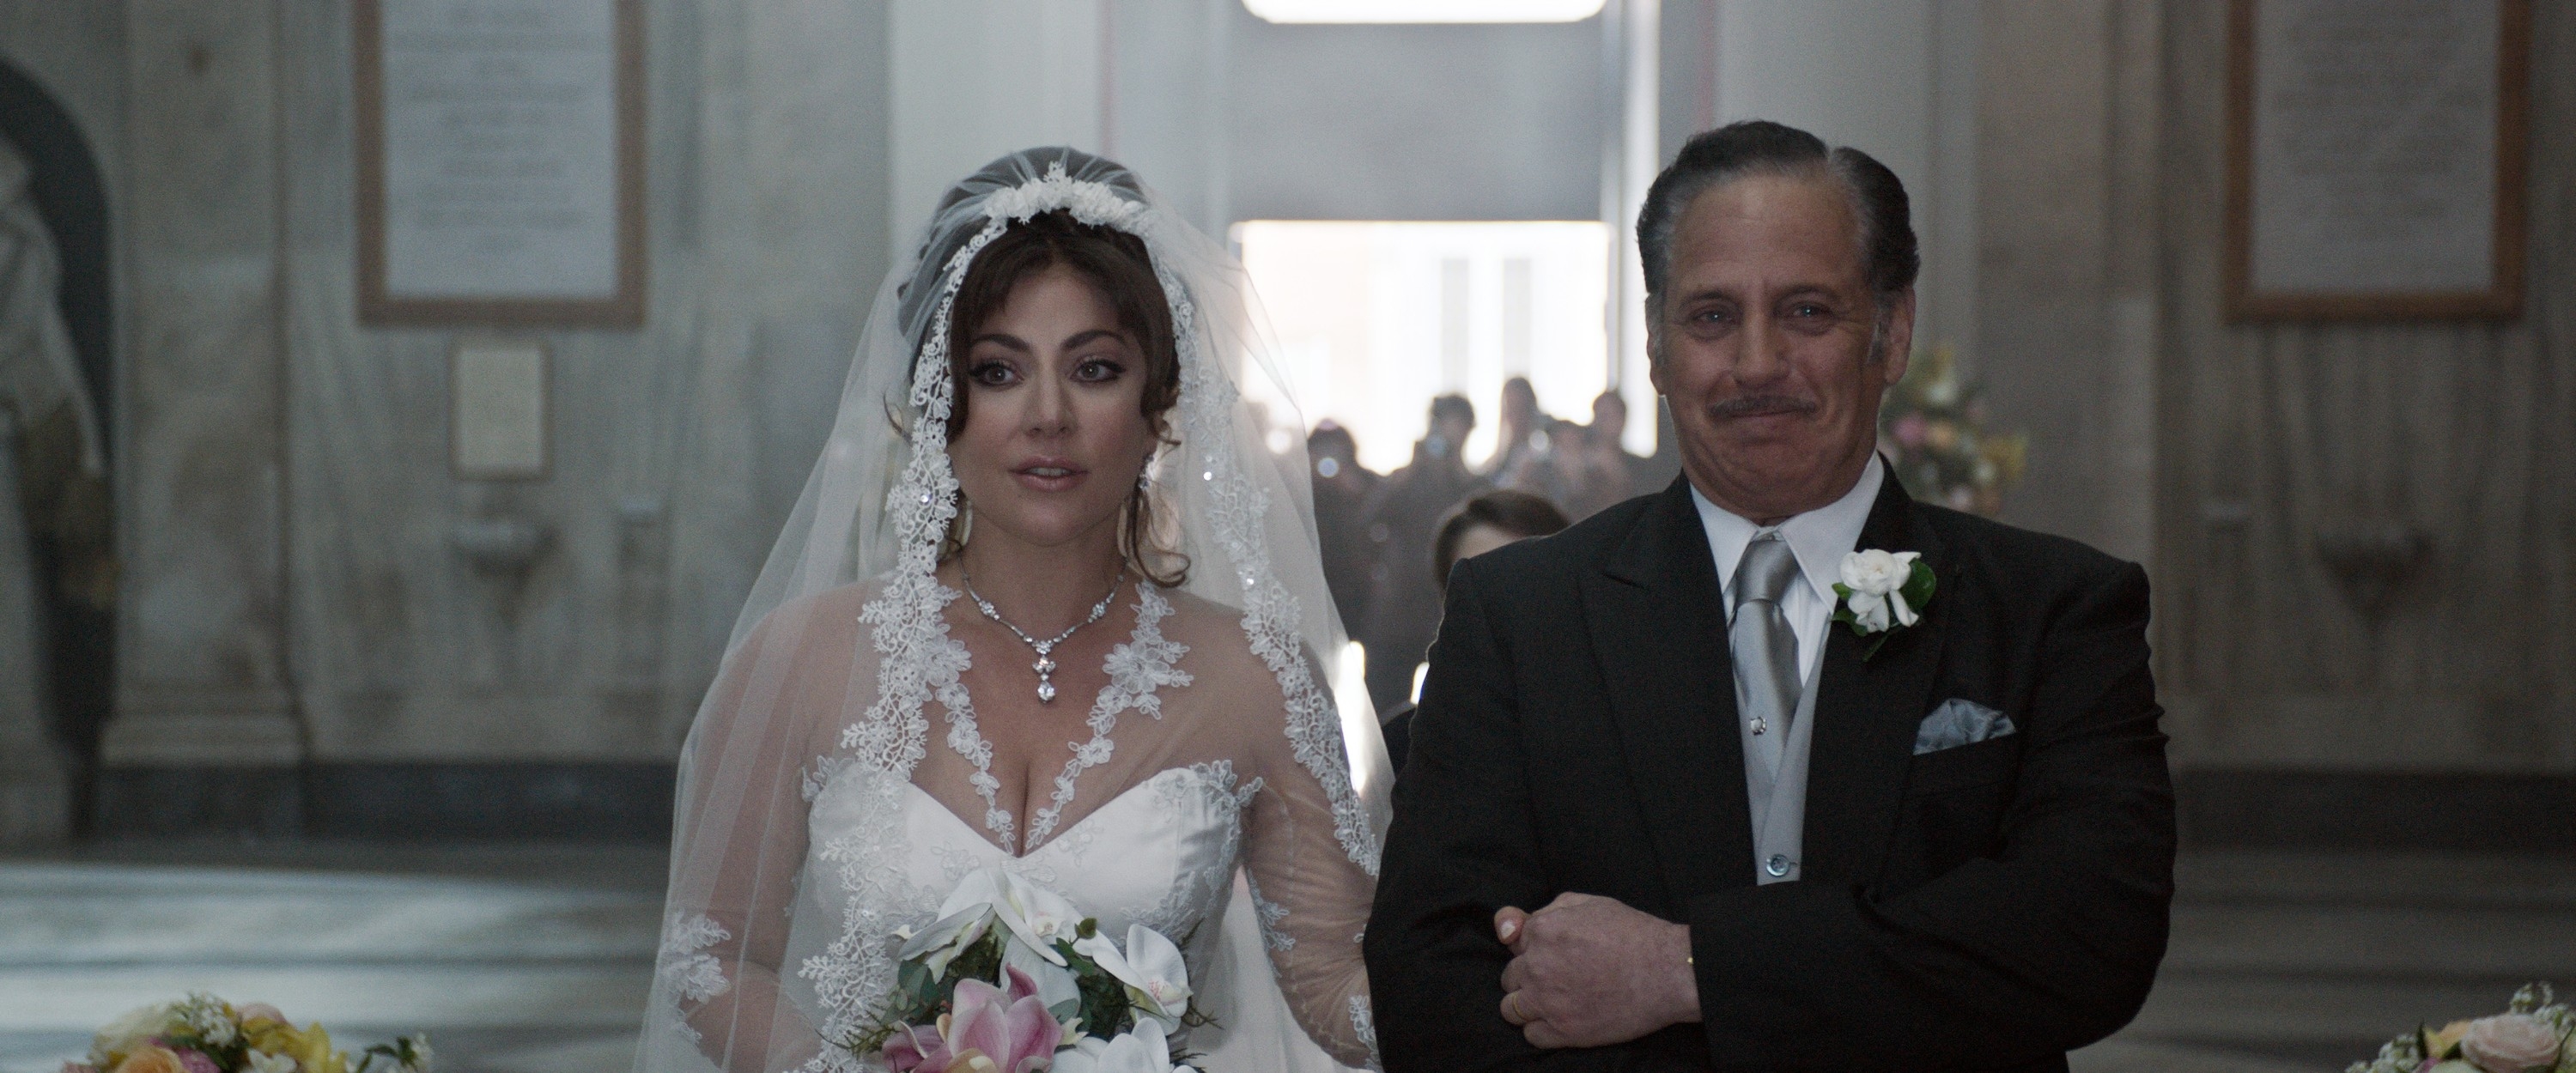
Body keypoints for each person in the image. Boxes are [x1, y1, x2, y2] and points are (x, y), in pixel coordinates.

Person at [1366, 120, 2172, 1071]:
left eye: (1807, 312)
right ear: (1656, 345)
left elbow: (2087, 938)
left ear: (1893, 331)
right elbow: (1431, 985)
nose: (1756, 362)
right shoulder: (1517, 615)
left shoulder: (2051, 610)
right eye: (1711, 317)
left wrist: (1685, 971)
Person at [641, 149, 1388, 1073]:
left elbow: (1334, 984)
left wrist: (1510, 981)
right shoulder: (802, 657)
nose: (1047, 416)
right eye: (998, 371)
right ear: (934, 402)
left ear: (1160, 403)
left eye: (1095, 368)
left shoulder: (1256, 677)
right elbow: (710, 956)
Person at [1377, 490, 1571, 775]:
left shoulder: (1619, 720)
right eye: (1480, 586)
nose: (1507, 603)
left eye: (1525, 578)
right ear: (1448, 603)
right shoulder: (1408, 747)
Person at [1356, 395, 1487, 713]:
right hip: (1397, 611)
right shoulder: (1409, 479)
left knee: (1454, 711)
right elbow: (1369, 518)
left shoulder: (1473, 486)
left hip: (1448, 607)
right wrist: (1413, 469)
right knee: (1383, 709)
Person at [1307, 421, 1380, 639]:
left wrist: (1357, 494)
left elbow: (1379, 521)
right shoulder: (1302, 488)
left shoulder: (1365, 482)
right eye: (1322, 450)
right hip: (1317, 586)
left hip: (1359, 588)